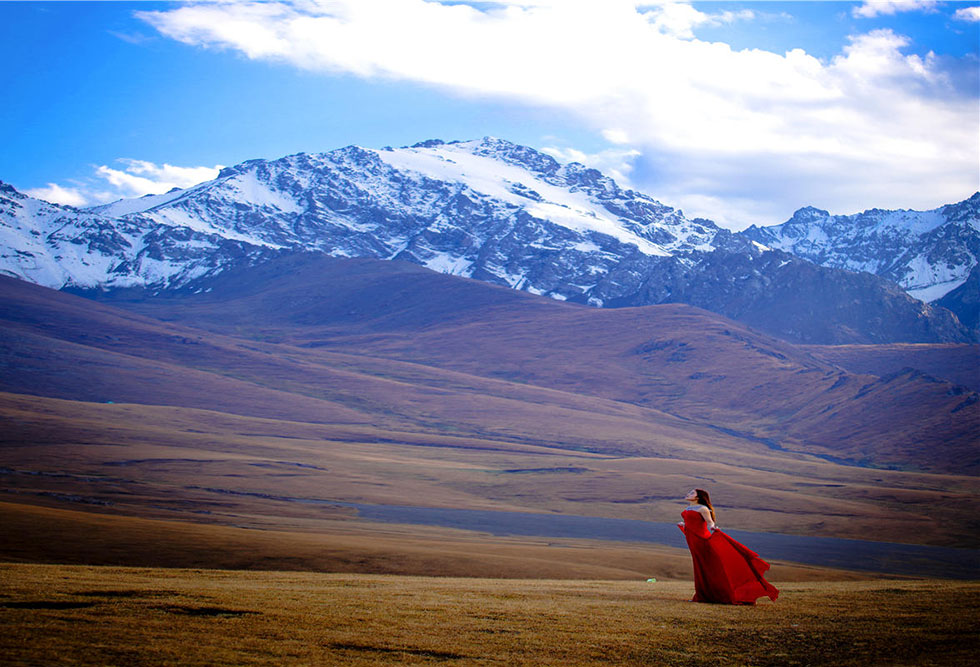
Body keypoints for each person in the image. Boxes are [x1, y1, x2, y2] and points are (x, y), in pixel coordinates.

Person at [677, 487, 779, 605]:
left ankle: (716, 595)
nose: (688, 494)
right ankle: (703, 595)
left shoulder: (703, 508)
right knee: (700, 567)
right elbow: (693, 523)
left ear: (697, 497)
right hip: (693, 540)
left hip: (702, 540)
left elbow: (709, 522)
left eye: (691, 493)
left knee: (707, 567)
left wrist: (713, 528)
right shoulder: (688, 508)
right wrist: (684, 525)